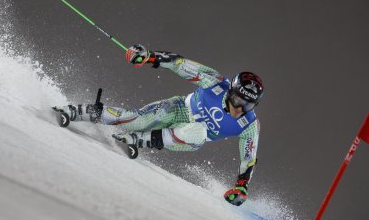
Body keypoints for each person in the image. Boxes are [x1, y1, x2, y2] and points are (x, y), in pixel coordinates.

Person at [55, 44, 264, 206]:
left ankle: (138, 141)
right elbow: (179, 64)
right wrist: (148, 56)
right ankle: (80, 111)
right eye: (238, 101)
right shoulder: (216, 83)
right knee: (138, 120)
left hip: (190, 138)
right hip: (180, 108)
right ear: (231, 92)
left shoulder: (249, 125)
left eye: (248, 105)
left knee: (198, 131)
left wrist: (241, 188)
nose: (240, 109)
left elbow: (248, 159)